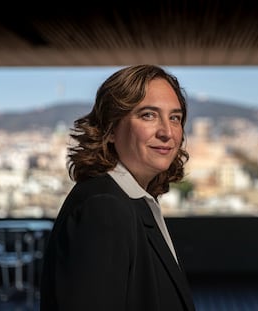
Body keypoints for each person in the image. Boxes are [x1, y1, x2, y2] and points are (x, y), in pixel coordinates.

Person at [40, 64, 196, 311]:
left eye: (175, 117)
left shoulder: (127, 198)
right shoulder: (104, 209)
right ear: (110, 129)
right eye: (148, 115)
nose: (167, 132)